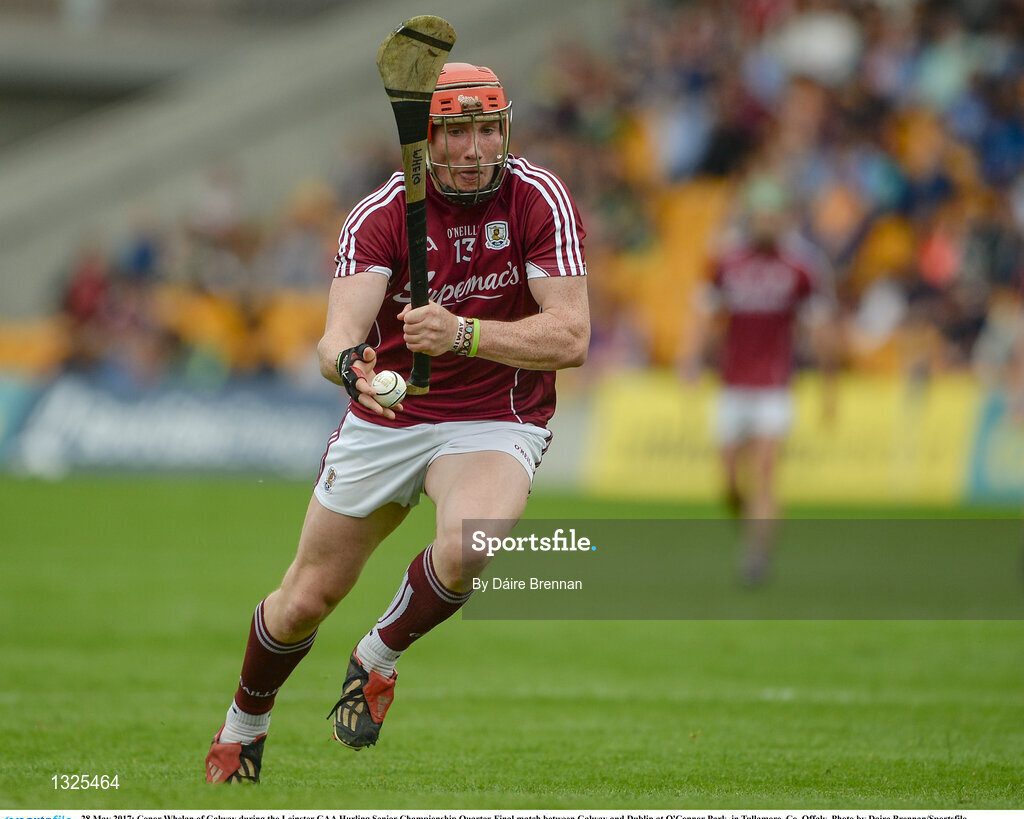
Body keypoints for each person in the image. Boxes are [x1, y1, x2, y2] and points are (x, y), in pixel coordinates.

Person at [204, 62, 590, 784]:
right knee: (304, 600)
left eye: (487, 129)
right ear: (427, 140)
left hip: (494, 414)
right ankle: (245, 721)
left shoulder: (538, 197)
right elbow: (336, 338)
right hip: (392, 414)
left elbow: (570, 336)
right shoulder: (380, 212)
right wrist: (351, 367)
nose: (475, 149)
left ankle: (378, 654)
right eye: (457, 132)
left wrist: (464, 335)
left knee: (474, 543)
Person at [683, 173, 836, 587]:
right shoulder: (726, 262)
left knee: (766, 470)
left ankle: (756, 554)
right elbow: (705, 317)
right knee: (730, 482)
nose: (767, 223)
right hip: (732, 384)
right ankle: (754, 528)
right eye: (761, 216)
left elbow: (819, 330)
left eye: (775, 216)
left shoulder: (802, 267)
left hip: (775, 386)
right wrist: (691, 361)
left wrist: (828, 386)